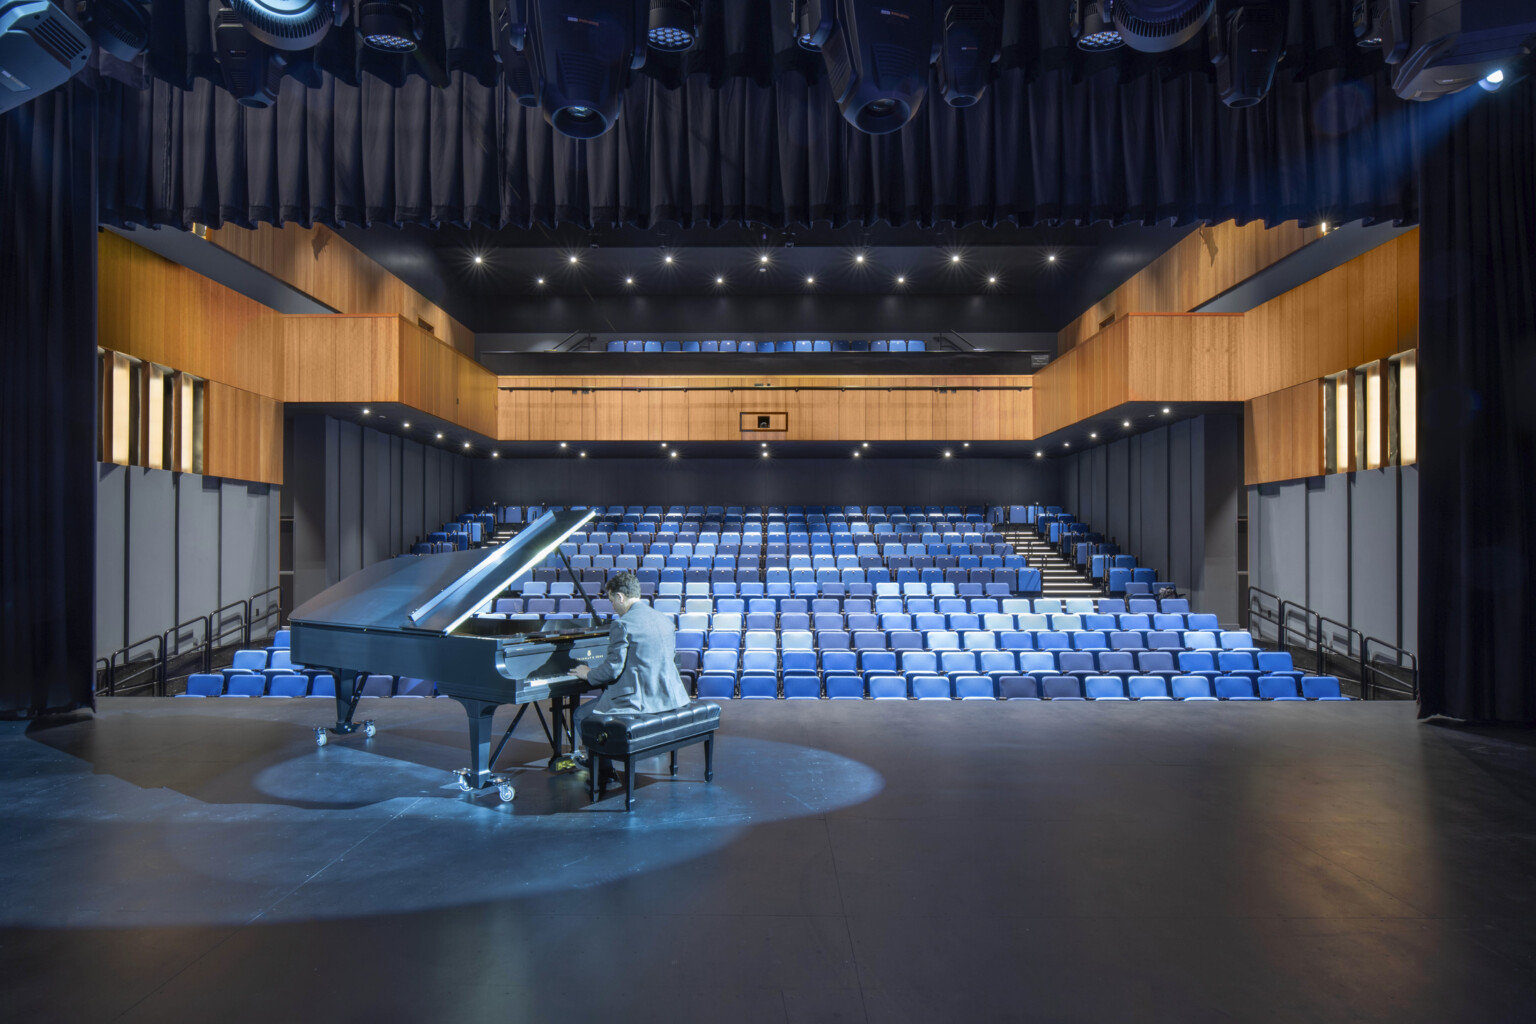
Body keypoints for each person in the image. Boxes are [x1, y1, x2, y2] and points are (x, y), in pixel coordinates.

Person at [570, 571, 691, 771]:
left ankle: (602, 769)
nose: (613, 607)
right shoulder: (664, 620)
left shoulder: (623, 624)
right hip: (669, 696)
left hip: (640, 702)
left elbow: (612, 670)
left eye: (611, 601)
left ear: (620, 596)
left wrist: (588, 673)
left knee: (582, 715)